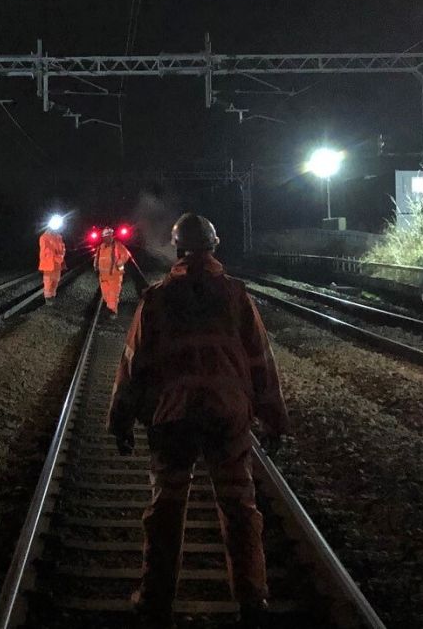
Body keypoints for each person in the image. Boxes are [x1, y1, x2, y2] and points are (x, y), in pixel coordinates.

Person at [108, 213, 289, 629]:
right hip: (226, 415)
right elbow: (261, 360)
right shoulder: (235, 296)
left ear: (177, 249)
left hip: (172, 417)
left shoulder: (156, 299)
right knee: (239, 507)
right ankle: (252, 602)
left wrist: (120, 420)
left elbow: (133, 364)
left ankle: (155, 604)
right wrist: (274, 417)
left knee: (166, 509)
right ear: (214, 247)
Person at [94, 233, 133, 319]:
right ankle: (109, 309)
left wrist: (120, 262)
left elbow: (126, 255)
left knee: (113, 295)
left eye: (108, 237)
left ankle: (112, 312)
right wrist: (96, 267)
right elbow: (97, 257)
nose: (106, 239)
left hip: (114, 276)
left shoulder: (117, 246)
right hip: (103, 276)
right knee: (105, 294)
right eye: (105, 237)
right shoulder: (101, 247)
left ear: (111, 237)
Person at [38, 221, 67, 301]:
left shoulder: (59, 237)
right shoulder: (44, 237)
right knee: (48, 282)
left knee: (55, 281)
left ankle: (53, 297)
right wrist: (58, 257)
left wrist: (61, 259)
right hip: (49, 264)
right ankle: (48, 299)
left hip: (57, 264)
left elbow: (62, 249)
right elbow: (46, 252)